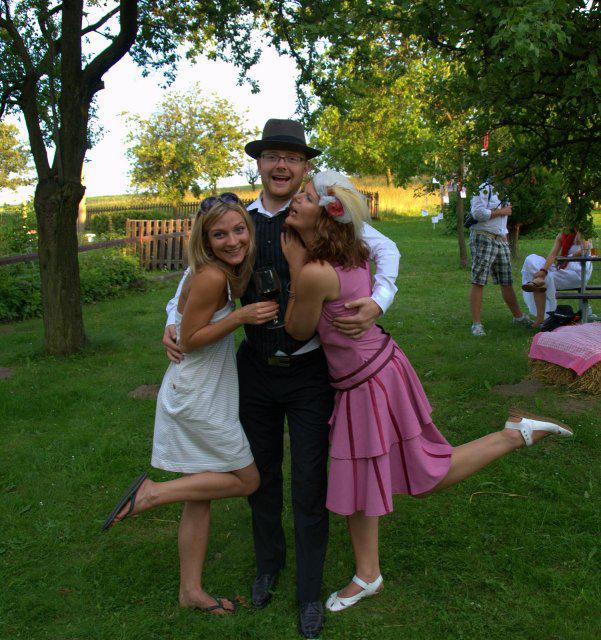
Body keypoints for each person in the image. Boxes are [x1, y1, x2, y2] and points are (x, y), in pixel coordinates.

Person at [280, 170, 573, 613]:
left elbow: (297, 330)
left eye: (305, 197)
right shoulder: (351, 251)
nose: (296, 201)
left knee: (425, 471)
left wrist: (293, 269)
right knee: (360, 478)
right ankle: (368, 573)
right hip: (375, 371)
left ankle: (514, 435)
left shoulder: (315, 272)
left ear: (325, 216)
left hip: (368, 382)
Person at [163, 119, 400, 638]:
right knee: (262, 479)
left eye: (292, 158)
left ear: (304, 167)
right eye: (272, 156)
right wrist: (170, 319)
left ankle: (309, 593)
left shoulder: (321, 214)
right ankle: (268, 568)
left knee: (310, 483)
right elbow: (194, 272)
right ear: (259, 164)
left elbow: (386, 250)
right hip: (254, 372)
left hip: (311, 372)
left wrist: (379, 301)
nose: (281, 166)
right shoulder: (240, 223)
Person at [102, 197, 279, 615]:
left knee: (198, 497)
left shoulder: (211, 269)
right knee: (247, 480)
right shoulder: (213, 276)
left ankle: (190, 591)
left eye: (239, 230)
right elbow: (189, 340)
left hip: (199, 388)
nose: (232, 240)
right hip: (198, 397)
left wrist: (178, 320)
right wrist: (239, 318)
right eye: (220, 234)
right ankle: (150, 494)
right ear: (205, 239)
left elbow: (181, 317)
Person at [469, 181, 532, 336]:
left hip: (500, 238)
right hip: (483, 237)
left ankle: (518, 317)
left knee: (506, 279)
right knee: (479, 280)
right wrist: (502, 211)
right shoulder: (484, 188)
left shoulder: (504, 191)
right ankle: (476, 324)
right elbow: (477, 213)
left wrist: (504, 234)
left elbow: (502, 219)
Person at [521, 229, 593, 327]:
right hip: (563, 268)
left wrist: (568, 256)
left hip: (578, 273)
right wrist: (543, 270)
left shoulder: (583, 232)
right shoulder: (562, 235)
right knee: (531, 259)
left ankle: (544, 318)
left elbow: (585, 251)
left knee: (546, 279)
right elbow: (552, 255)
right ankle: (540, 280)